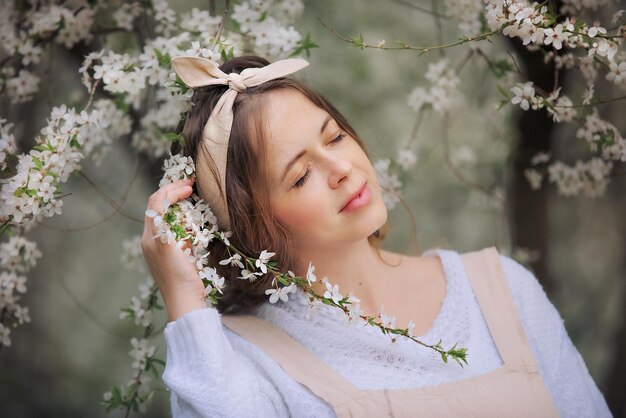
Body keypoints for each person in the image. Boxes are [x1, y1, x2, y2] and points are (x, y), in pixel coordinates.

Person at [141, 55, 612, 417]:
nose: (342, 170)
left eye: (335, 138)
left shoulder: (501, 290)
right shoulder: (242, 361)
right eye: (301, 176)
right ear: (252, 227)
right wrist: (184, 299)